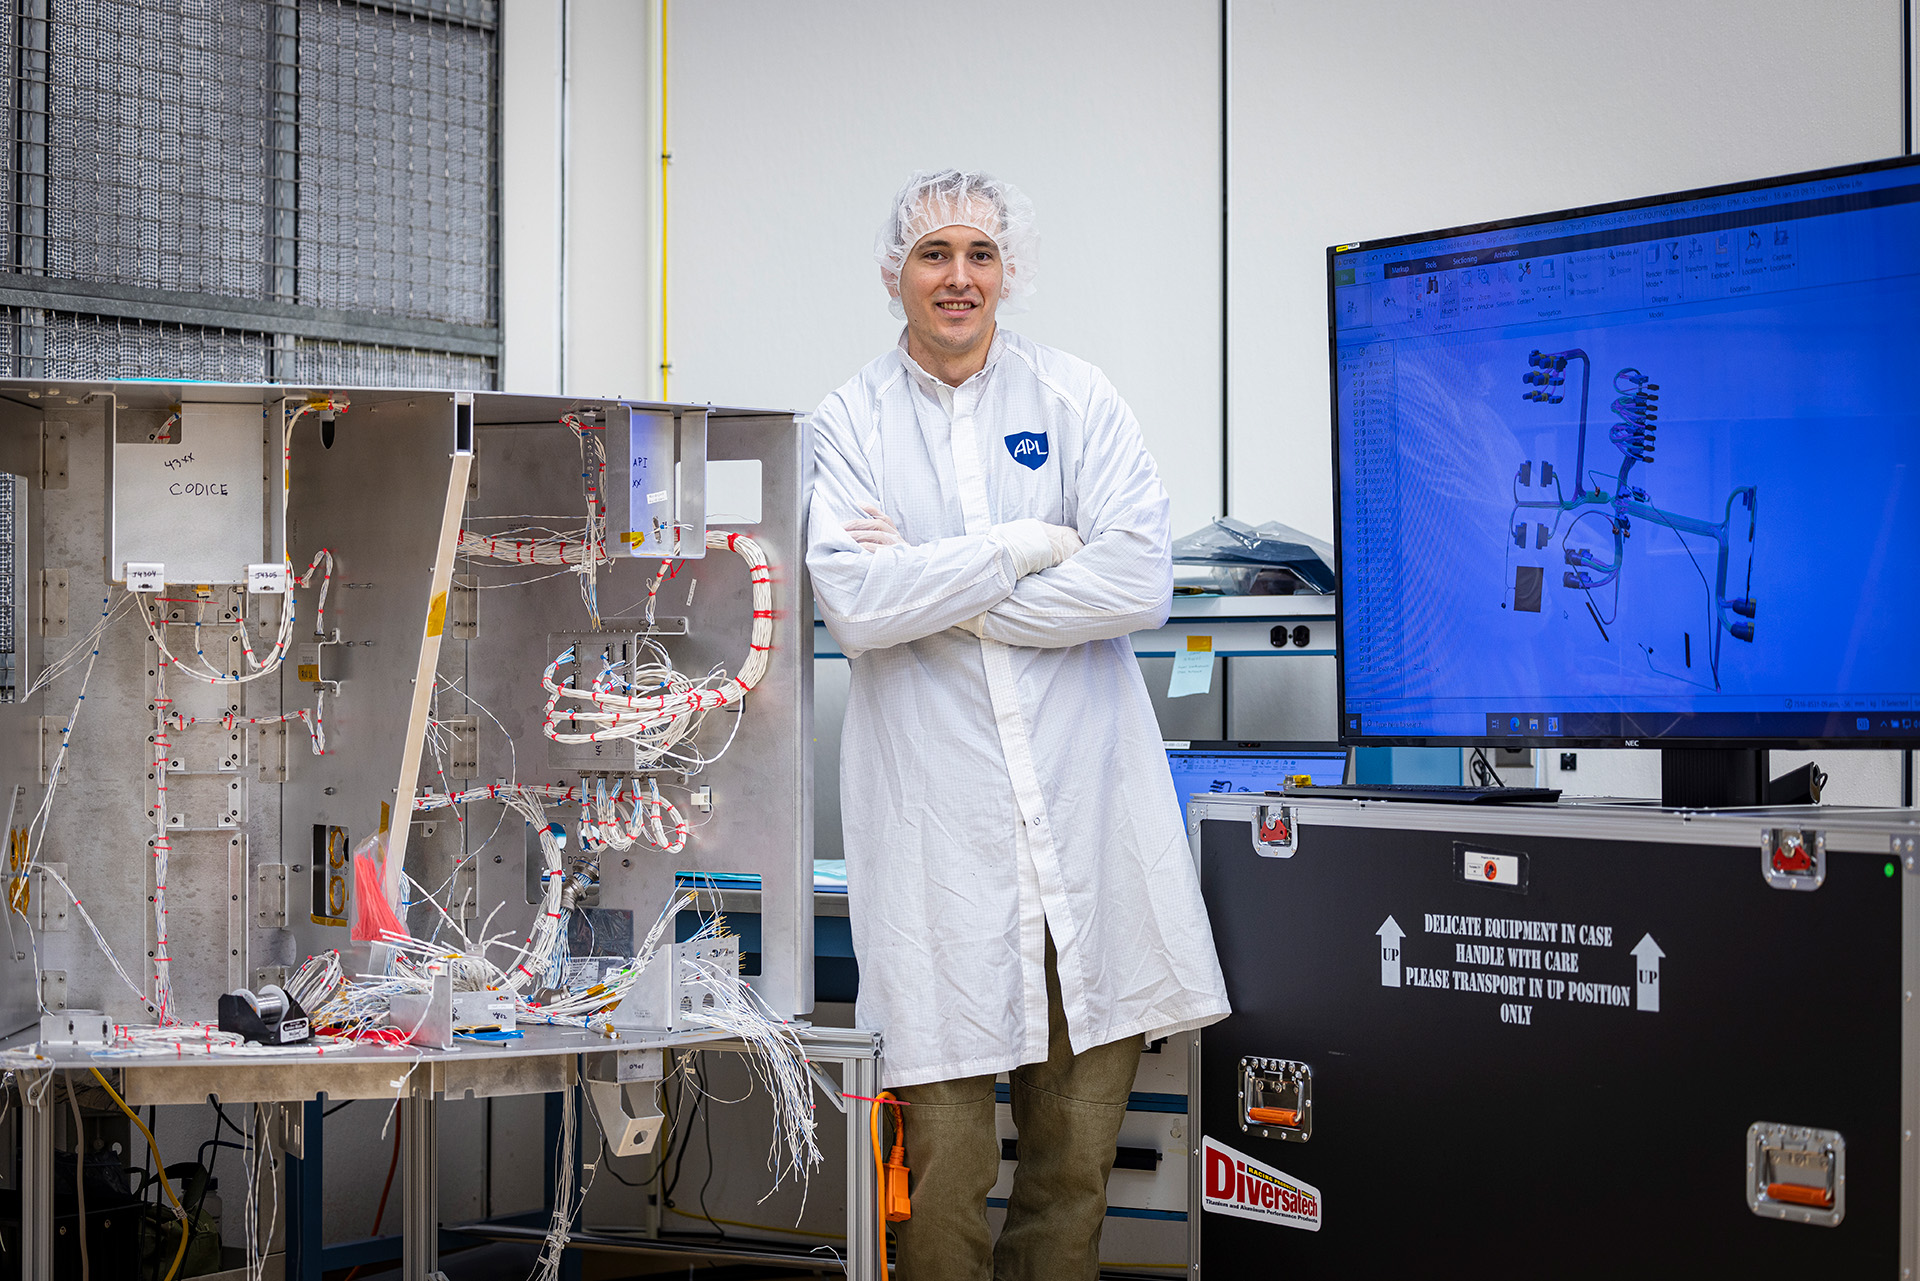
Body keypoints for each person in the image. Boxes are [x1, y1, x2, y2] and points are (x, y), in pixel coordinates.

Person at [805, 169, 1230, 1281]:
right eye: (934, 254)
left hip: (1086, 837)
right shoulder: (849, 422)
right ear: (895, 271)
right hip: (941, 853)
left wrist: (936, 592)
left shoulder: (1077, 397)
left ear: (1009, 271)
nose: (958, 278)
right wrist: (1036, 545)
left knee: (1074, 1165)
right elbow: (855, 603)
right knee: (943, 1166)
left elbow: (1139, 585)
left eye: (979, 255)